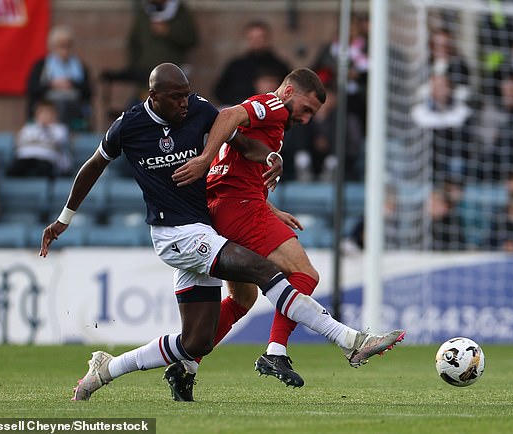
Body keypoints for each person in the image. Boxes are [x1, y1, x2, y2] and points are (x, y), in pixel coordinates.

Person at [39, 63, 404, 402]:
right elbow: (93, 166)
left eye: (186, 94)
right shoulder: (129, 125)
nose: (185, 102)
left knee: (196, 341)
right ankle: (347, 340)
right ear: (154, 95)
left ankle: (107, 369)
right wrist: (64, 219)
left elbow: (238, 141)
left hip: (205, 227)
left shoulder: (197, 110)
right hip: (174, 234)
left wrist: (270, 158)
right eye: (176, 97)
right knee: (268, 271)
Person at [170, 67, 405, 394]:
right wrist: (205, 158)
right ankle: (276, 352)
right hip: (239, 207)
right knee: (305, 274)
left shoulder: (276, 125)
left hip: (224, 207)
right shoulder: (274, 105)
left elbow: (237, 170)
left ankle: (186, 365)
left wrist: (272, 210)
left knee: (243, 298)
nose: (307, 120)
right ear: (289, 92)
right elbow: (228, 115)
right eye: (306, 110)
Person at [26, 25, 93, 130]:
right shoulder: (42, 65)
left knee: (63, 105)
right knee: (54, 107)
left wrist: (71, 84)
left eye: (68, 46)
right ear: (52, 46)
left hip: (73, 105)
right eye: (61, 46)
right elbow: (32, 88)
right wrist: (52, 84)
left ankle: (59, 133)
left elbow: (89, 90)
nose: (65, 50)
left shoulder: (80, 66)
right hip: (47, 105)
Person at [214, 20, 291, 107]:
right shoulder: (236, 66)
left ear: (267, 38)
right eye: (252, 38)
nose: (257, 41)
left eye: (260, 37)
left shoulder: (280, 66)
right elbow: (219, 91)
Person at [7, 100, 71, 178]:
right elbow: (19, 142)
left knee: (42, 170)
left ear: (54, 114)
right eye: (42, 113)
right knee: (13, 170)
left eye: (48, 113)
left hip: (46, 160)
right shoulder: (28, 128)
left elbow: (60, 142)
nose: (45, 116)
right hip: (25, 158)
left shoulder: (60, 129)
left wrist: (46, 129)